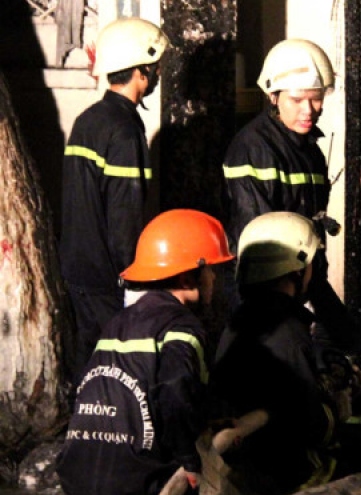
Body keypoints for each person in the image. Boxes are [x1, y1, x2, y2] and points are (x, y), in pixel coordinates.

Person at [55, 209, 235, 495]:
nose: (214, 277)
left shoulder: (116, 323)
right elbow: (176, 393)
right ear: (189, 277)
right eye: (210, 269)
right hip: (134, 485)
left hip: (77, 478)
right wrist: (189, 461)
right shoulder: (182, 326)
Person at [221, 38, 361, 356]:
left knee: (349, 350)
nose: (309, 110)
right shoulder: (254, 148)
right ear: (273, 96)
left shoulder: (310, 151)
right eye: (298, 99)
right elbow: (261, 250)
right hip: (262, 297)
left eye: (316, 99)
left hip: (299, 283)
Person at [210, 211, 361, 494]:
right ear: (297, 269)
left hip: (246, 466)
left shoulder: (242, 320)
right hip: (282, 476)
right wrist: (338, 404)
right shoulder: (289, 332)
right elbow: (311, 427)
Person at [59, 17, 169, 379]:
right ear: (141, 71)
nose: (157, 73)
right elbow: (125, 214)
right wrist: (134, 277)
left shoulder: (87, 120)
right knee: (120, 366)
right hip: (107, 274)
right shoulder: (124, 131)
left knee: (88, 363)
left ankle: (83, 426)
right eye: (154, 67)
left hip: (77, 264)